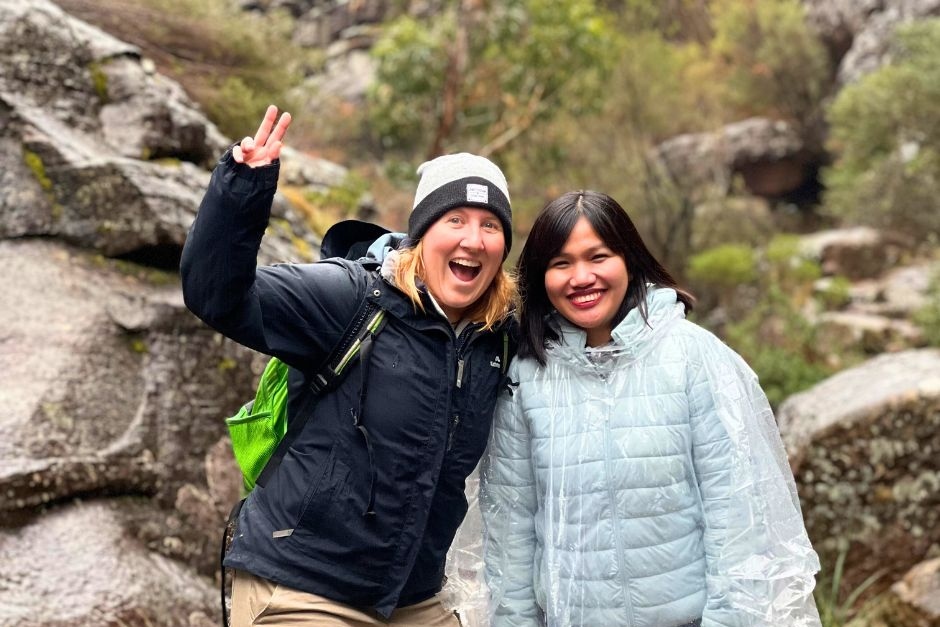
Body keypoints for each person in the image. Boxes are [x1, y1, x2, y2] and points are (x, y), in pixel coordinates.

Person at [181, 105, 517, 626]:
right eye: (455, 220)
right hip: (303, 586)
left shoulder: (497, 338)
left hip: (415, 600)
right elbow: (217, 296)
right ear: (422, 233)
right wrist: (242, 187)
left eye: (490, 225)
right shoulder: (351, 297)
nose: (473, 240)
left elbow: (582, 316)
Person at [480, 191, 822, 627]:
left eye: (597, 256)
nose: (580, 277)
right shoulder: (527, 376)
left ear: (629, 258)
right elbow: (511, 528)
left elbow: (738, 516)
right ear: (539, 276)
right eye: (560, 263)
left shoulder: (694, 358)